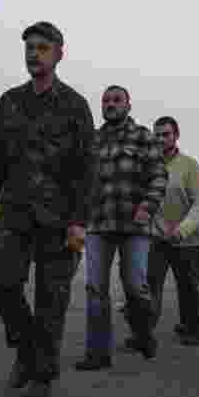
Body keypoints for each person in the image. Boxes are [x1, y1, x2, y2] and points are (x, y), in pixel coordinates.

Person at [0, 21, 95, 397]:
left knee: (52, 300)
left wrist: (79, 222)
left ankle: (41, 375)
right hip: (14, 212)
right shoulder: (9, 101)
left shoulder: (75, 105)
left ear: (60, 53)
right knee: (1, 282)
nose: (34, 53)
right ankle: (28, 347)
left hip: (59, 220)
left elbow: (85, 169)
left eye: (42, 47)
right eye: (29, 47)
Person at [77, 86, 166, 370]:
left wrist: (147, 207)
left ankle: (143, 333)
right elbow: (79, 181)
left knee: (135, 287)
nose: (110, 104)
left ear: (128, 104)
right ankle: (98, 354)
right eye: (106, 100)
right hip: (98, 224)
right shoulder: (93, 139)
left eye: (117, 100)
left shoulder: (142, 136)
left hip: (135, 225)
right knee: (95, 289)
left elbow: (159, 176)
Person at [142, 117, 199, 345]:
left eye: (166, 134)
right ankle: (144, 333)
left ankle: (192, 330)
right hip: (157, 239)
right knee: (149, 287)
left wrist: (182, 230)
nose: (161, 139)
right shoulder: (149, 166)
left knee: (188, 287)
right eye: (157, 135)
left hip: (186, 240)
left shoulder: (190, 165)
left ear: (176, 135)